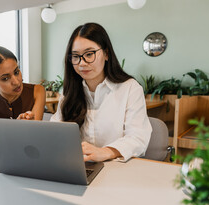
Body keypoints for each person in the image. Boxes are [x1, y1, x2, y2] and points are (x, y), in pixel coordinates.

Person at [51, 23, 152, 162]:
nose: (82, 63)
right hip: (78, 167)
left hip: (117, 169)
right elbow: (56, 130)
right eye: (75, 56)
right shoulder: (70, 91)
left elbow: (138, 137)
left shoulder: (130, 88)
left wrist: (105, 152)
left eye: (89, 54)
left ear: (106, 54)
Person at [0, 45, 45, 120]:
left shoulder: (37, 91)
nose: (16, 82)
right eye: (5, 78)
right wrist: (18, 126)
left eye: (16, 72)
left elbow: (35, 130)